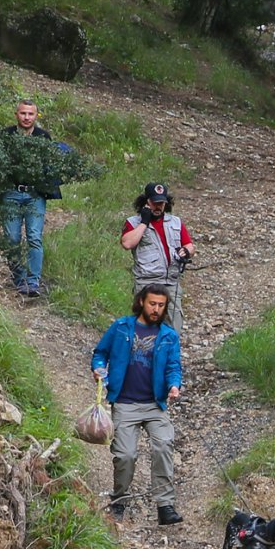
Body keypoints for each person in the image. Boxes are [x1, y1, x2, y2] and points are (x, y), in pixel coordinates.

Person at [91, 284, 183, 525]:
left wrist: (174, 385)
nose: (156, 309)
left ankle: (165, 505)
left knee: (163, 445)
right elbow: (100, 353)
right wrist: (99, 370)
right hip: (124, 402)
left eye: (161, 305)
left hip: (155, 404)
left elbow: (174, 366)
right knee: (125, 454)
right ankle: (119, 499)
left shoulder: (169, 335)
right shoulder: (121, 327)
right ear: (141, 301)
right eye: (152, 303)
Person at [0, 99, 59, 297]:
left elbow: (52, 164)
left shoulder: (43, 137)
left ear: (36, 116)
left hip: (35, 194)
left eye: (30, 114)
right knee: (12, 238)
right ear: (16, 114)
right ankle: (19, 278)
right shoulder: (5, 135)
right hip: (11, 192)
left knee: (34, 237)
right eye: (23, 113)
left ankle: (33, 281)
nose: (26, 117)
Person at [121, 182, 195, 333]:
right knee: (145, 330)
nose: (158, 206)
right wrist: (144, 223)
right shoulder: (133, 223)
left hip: (171, 283)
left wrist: (186, 252)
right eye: (154, 203)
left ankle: (168, 356)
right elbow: (127, 243)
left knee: (174, 329)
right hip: (146, 283)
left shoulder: (175, 222)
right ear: (146, 202)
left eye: (161, 203)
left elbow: (189, 245)